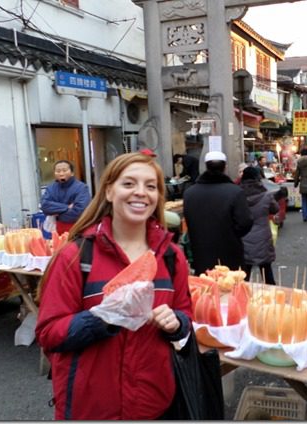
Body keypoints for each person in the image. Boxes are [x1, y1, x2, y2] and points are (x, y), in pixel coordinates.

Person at [35, 152, 192, 420]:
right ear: (109, 191)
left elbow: (187, 317)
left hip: (154, 406)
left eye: (150, 186)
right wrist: (103, 317)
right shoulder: (75, 256)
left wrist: (177, 323)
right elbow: (49, 334)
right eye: (129, 184)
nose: (141, 193)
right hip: (91, 409)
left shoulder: (171, 257)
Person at [183, 151, 253, 275]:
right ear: (225, 167)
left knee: (206, 288)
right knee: (231, 287)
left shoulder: (190, 193)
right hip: (230, 250)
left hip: (201, 251)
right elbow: (245, 222)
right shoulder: (235, 192)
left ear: (206, 166)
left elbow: (189, 220)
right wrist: (231, 233)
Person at [239, 166, 280, 284]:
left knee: (244, 276)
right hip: (263, 238)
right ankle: (272, 298)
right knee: (267, 273)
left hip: (244, 238)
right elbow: (275, 208)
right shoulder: (266, 195)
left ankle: (243, 299)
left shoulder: (238, 194)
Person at [40, 160, 91, 235]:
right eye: (58, 171)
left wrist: (57, 214)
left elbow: (80, 211)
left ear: (72, 173)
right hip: (58, 230)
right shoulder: (51, 188)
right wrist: (67, 207)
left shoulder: (81, 188)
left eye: (64, 170)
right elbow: (45, 206)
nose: (61, 173)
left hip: (78, 229)